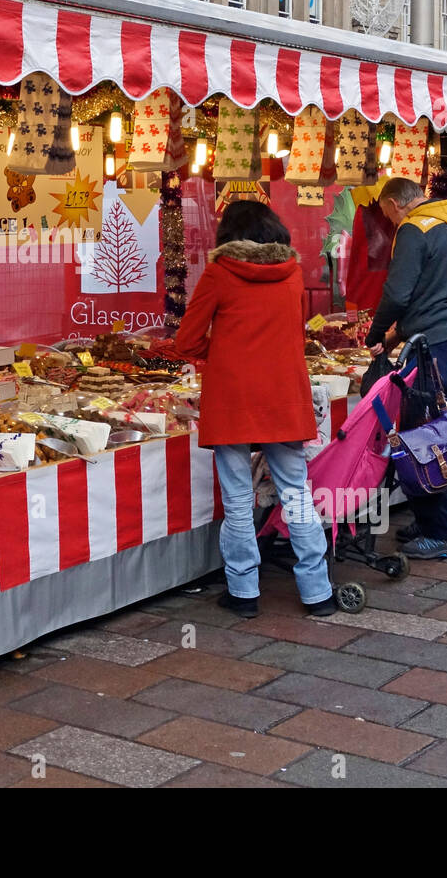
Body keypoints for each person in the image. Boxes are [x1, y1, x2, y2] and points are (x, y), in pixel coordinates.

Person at [173, 200, 335, 618]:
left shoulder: (218, 273)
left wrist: (226, 353)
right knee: (297, 493)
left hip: (232, 398)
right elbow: (295, 335)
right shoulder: (293, 274)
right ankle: (318, 592)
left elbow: (187, 341)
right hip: (283, 394)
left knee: (238, 498)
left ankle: (244, 592)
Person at [364, 176, 447, 559]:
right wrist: (396, 338)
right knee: (435, 428)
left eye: (386, 214)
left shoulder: (413, 229)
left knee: (432, 436)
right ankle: (429, 520)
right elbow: (437, 289)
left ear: (395, 204)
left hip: (433, 347)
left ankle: (444, 534)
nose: (389, 223)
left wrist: (377, 332)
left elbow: (398, 292)